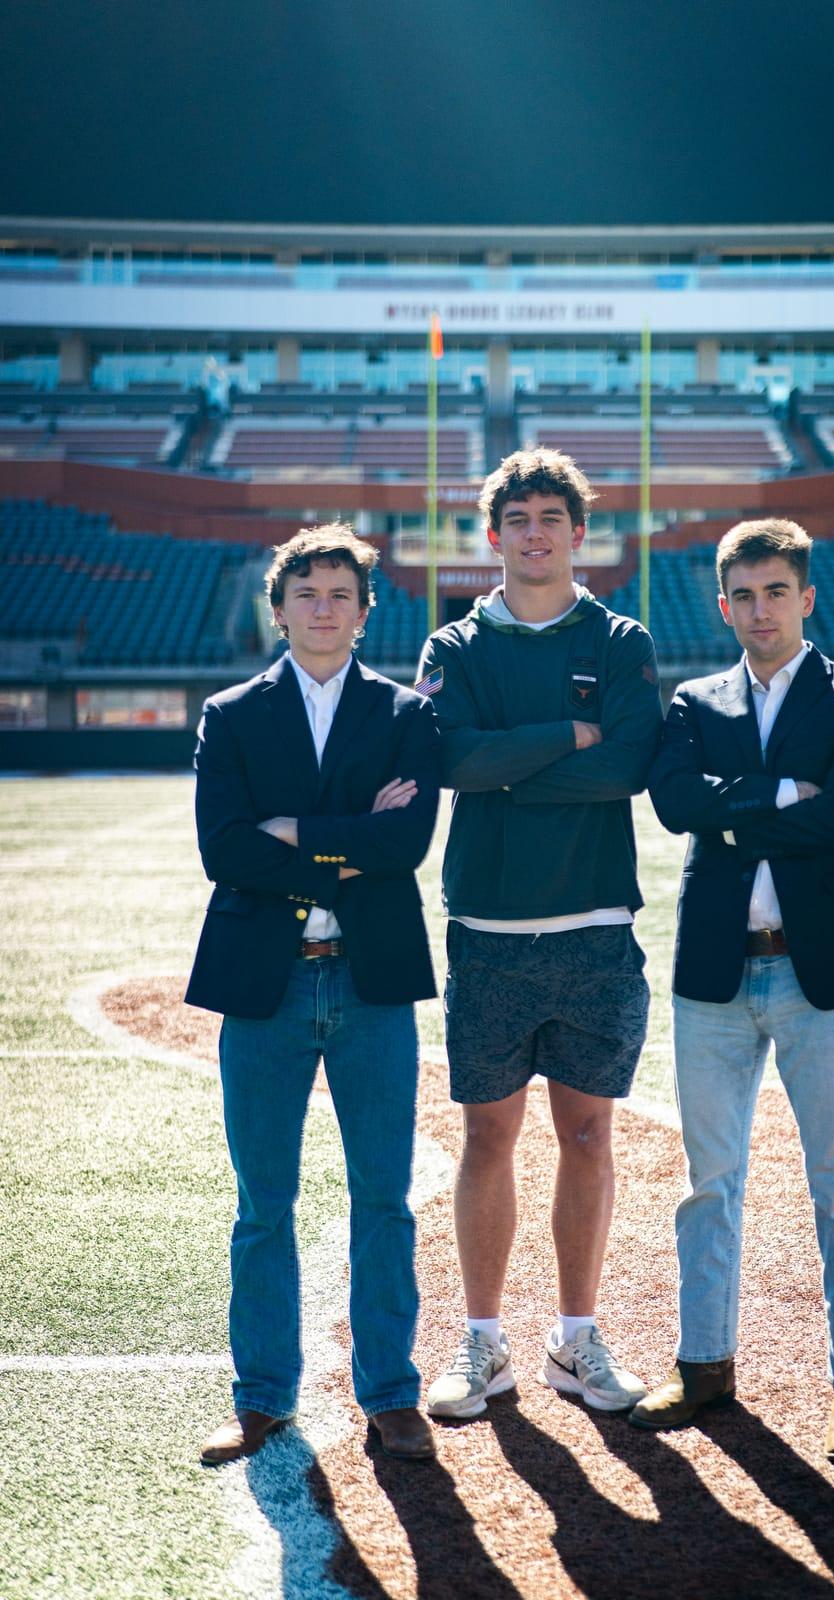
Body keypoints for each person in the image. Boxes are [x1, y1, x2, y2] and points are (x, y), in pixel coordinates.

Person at [632, 517, 834, 1461]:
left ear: (806, 597)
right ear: (722, 604)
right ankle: (704, 1367)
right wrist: (788, 792)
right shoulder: (691, 700)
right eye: (742, 595)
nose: (759, 609)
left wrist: (737, 804)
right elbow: (674, 806)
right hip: (714, 970)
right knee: (708, 1182)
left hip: (817, 969)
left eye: (775, 591)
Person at [415, 448, 662, 1420]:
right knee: (486, 1135)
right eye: (515, 518)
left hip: (596, 927)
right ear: (493, 534)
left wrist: (509, 764)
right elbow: (450, 763)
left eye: (549, 517)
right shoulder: (457, 645)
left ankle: (574, 1336)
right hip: (486, 930)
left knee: (589, 1134)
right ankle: (481, 1342)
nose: (533, 532)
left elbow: (631, 765)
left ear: (575, 531)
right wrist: (566, 735)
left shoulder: (616, 637)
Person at [187, 524, 440, 1464]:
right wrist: (346, 840)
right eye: (307, 593)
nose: (323, 608)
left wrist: (294, 832)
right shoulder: (233, 713)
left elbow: (405, 846)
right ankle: (261, 1398)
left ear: (367, 613)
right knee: (264, 1203)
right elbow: (225, 849)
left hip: (372, 984)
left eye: (342, 594)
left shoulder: (408, 715)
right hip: (267, 984)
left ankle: (390, 1394)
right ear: (279, 607)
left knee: (385, 1198)